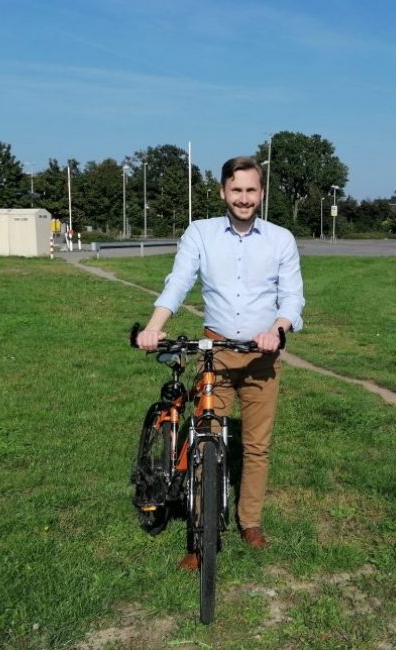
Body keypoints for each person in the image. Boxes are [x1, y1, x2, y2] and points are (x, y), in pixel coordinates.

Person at [136, 156, 304, 571]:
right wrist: (154, 327)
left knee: (256, 446)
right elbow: (177, 283)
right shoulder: (201, 233)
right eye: (236, 190)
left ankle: (250, 521)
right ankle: (200, 534)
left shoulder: (281, 239)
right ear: (223, 192)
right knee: (202, 446)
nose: (244, 198)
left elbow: (293, 298)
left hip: (262, 356)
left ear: (261, 193)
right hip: (215, 353)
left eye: (251, 191)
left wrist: (277, 330)